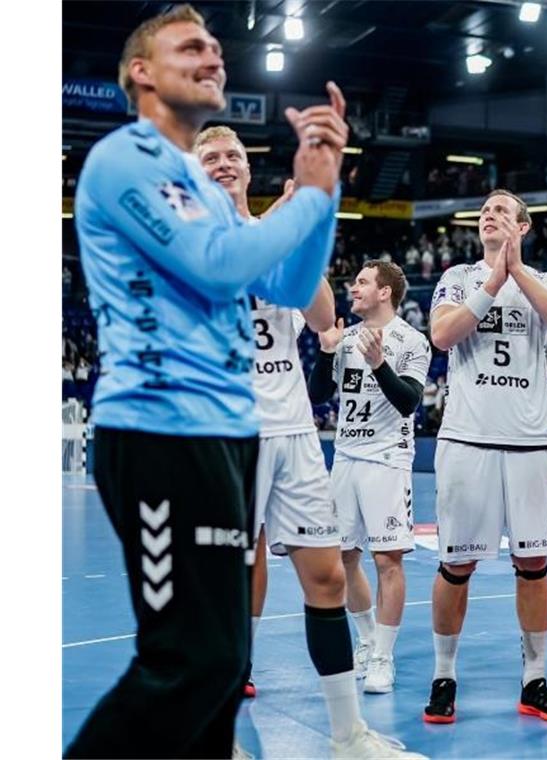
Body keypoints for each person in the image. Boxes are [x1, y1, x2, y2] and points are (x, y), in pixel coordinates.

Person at [64, 5, 376, 757]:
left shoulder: (203, 193)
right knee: (189, 659)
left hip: (226, 435)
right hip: (157, 429)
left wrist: (323, 193)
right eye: (190, 46)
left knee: (224, 659)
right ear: (142, 72)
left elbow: (294, 281)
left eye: (215, 47)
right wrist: (301, 196)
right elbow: (215, 265)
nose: (213, 56)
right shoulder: (124, 161)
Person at [194, 128, 419, 758]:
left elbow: (322, 319)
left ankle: (349, 735)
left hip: (294, 433)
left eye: (232, 156)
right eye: (209, 158)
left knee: (324, 578)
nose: (222, 165)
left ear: (246, 169)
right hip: (227, 434)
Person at [425, 189, 547, 724]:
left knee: (533, 563)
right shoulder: (458, 277)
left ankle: (534, 679)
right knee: (457, 562)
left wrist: (518, 273)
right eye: (484, 211)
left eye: (500, 210)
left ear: (523, 226)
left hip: (530, 439)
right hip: (468, 437)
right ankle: (444, 675)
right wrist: (495, 278)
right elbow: (442, 335)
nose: (488, 215)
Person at [307, 261, 430, 695]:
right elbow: (317, 396)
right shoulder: (344, 340)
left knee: (387, 560)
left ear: (385, 292)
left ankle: (383, 657)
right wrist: (325, 352)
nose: (352, 288)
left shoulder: (411, 340)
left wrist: (379, 364)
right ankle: (366, 639)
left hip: (386, 461)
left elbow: (409, 403)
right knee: (343, 559)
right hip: (345, 458)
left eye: (361, 282)